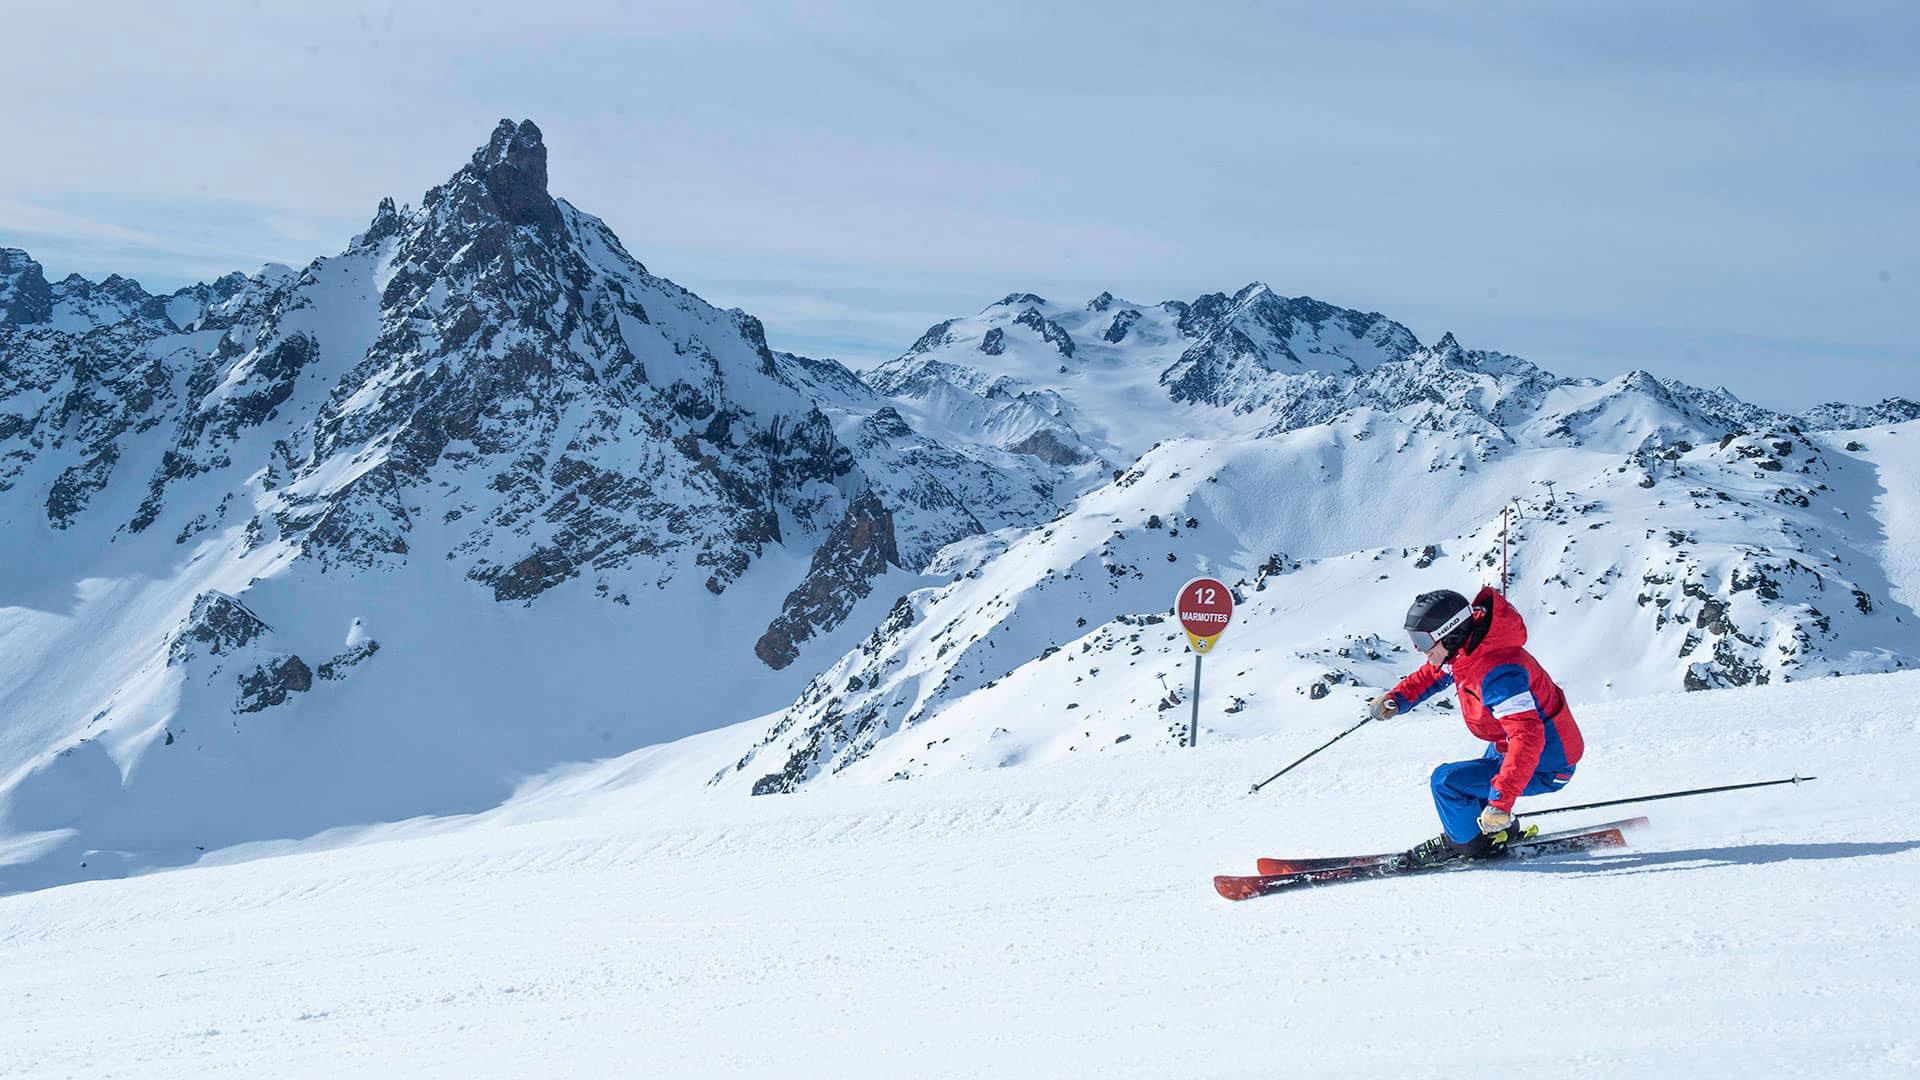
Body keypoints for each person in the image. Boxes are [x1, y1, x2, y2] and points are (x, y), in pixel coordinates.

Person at [1368, 587, 1585, 867]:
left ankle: (1468, 845)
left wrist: (1501, 802)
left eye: (1422, 640)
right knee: (1473, 778)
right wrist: (1396, 699)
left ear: (1451, 632)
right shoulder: (1466, 650)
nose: (1419, 649)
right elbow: (1432, 675)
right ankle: (1493, 830)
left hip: (1547, 764)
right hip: (1511, 747)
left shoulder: (1499, 674)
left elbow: (1527, 737)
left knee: (1446, 782)